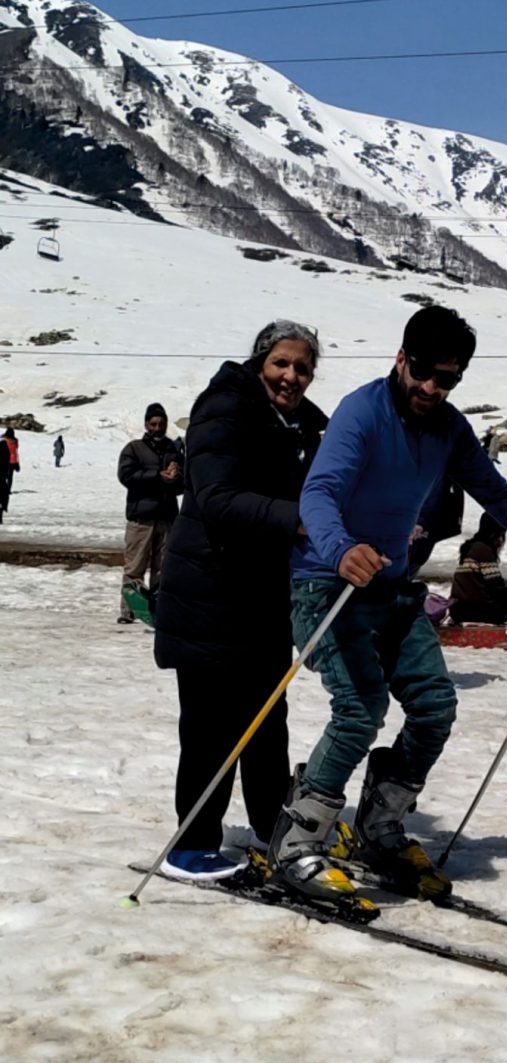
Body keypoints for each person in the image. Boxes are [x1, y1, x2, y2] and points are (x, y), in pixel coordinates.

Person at [270, 305, 507, 906]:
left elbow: (499, 496)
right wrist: (341, 549)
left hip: (392, 590)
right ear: (401, 359)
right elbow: (319, 493)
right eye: (425, 373)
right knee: (360, 709)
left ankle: (379, 826)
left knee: (435, 707)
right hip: (326, 585)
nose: (434, 389)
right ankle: (298, 839)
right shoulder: (362, 412)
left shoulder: (449, 429)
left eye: (449, 379)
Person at [153, 320, 326, 883]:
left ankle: (269, 824)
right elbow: (217, 497)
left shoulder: (304, 422)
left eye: (303, 368)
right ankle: (191, 843)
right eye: (282, 363)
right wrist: (300, 518)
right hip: (209, 590)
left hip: (261, 593)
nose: (291, 376)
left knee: (266, 719)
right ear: (259, 362)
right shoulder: (224, 407)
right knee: (211, 725)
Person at [116, 404, 183, 624]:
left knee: (163, 569)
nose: (157, 428)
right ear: (146, 425)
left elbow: (184, 484)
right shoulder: (134, 449)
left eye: (161, 424)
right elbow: (126, 476)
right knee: (134, 567)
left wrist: (176, 477)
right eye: (153, 424)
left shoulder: (174, 450)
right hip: (141, 519)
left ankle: (159, 611)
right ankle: (128, 611)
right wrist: (157, 475)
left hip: (166, 518)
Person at [0, 427, 18, 524]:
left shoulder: (3, 440)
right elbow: (15, 451)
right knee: (9, 479)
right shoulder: (14, 441)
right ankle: (3, 508)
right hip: (10, 463)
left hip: (6, 465)